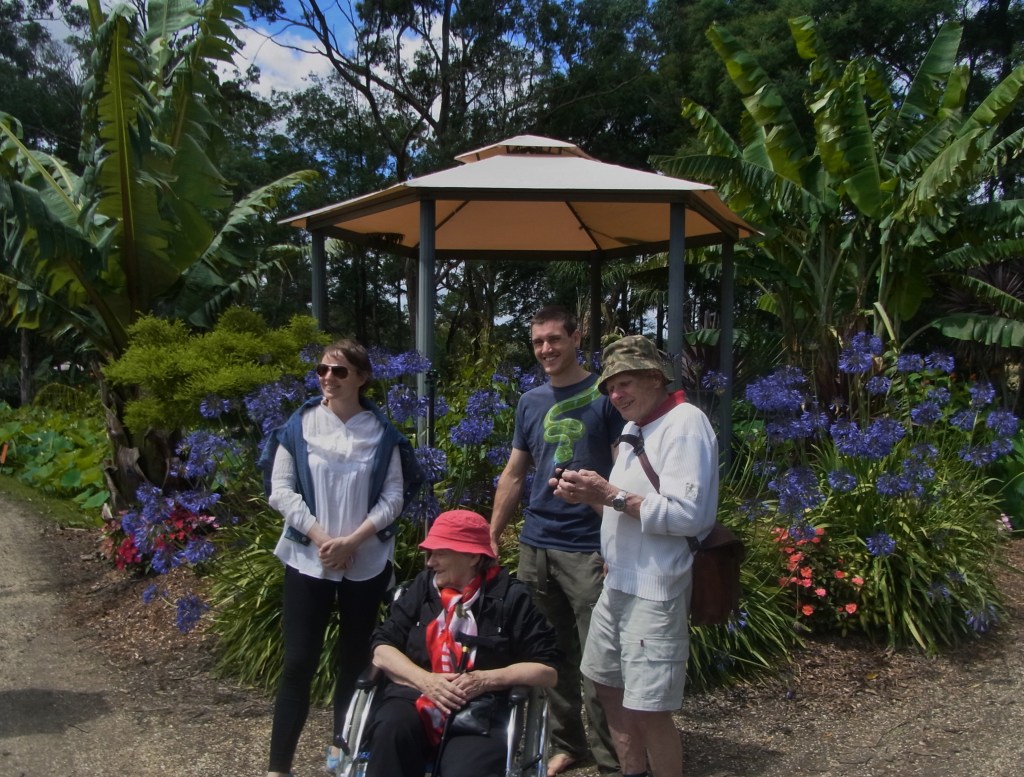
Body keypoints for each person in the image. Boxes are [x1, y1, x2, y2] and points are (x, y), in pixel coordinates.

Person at [550, 335, 720, 777]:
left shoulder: (686, 424)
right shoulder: (633, 430)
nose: (615, 395)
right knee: (606, 685)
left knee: (649, 707)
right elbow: (624, 504)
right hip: (618, 580)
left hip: (655, 588)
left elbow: (689, 515)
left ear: (654, 377)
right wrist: (587, 494)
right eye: (609, 387)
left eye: (624, 383)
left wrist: (609, 493)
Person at [490, 305, 624, 776]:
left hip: (589, 548)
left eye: (554, 339)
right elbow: (514, 473)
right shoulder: (530, 402)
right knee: (550, 656)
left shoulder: (605, 397)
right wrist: (493, 535)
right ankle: (569, 744)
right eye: (538, 342)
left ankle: (615, 759)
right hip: (536, 545)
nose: (546, 349)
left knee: (600, 662)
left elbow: (620, 474)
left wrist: (617, 544)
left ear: (576, 338)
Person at [264, 339, 407, 777]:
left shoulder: (382, 433)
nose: (328, 378)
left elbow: (395, 497)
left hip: (365, 564)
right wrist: (325, 539)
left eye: (339, 371)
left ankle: (338, 762)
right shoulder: (300, 424)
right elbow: (281, 491)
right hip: (309, 561)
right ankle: (278, 768)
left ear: (362, 378)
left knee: (354, 665)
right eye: (323, 370)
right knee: (298, 662)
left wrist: (354, 541)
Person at [363, 509, 560, 777]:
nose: (430, 562)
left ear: (472, 556)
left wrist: (484, 680)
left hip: (479, 707)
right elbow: (382, 649)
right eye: (429, 553)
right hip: (414, 696)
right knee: (391, 731)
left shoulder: (511, 598)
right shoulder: (424, 588)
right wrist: (426, 681)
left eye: (439, 553)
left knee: (467, 768)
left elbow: (547, 671)